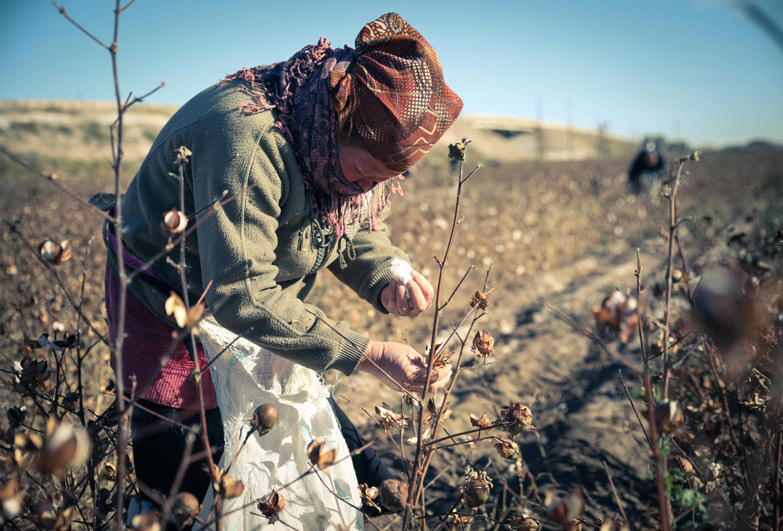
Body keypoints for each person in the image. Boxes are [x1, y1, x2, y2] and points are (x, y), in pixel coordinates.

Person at [98, 11, 461, 528]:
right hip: (165, 293)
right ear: (336, 123)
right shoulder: (246, 140)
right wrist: (370, 354)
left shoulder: (337, 145)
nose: (365, 190)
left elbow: (347, 219)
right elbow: (243, 294)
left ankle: (371, 480)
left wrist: (386, 276)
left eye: (382, 180)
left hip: (247, 294)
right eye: (363, 173)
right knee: (186, 480)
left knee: (285, 408)